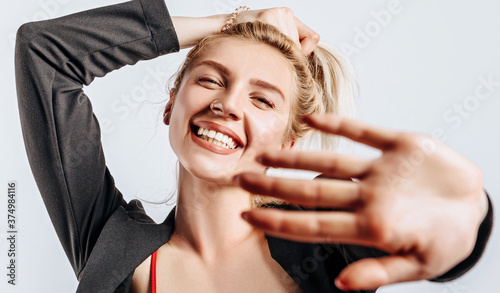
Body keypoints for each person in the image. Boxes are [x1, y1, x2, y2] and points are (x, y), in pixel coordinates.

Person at [14, 0, 492, 292]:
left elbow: (441, 247)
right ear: (170, 107)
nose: (226, 104)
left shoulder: (325, 241)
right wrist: (231, 21)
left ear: (289, 136)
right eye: (210, 80)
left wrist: (462, 221)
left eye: (262, 99)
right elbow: (44, 53)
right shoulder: (112, 245)